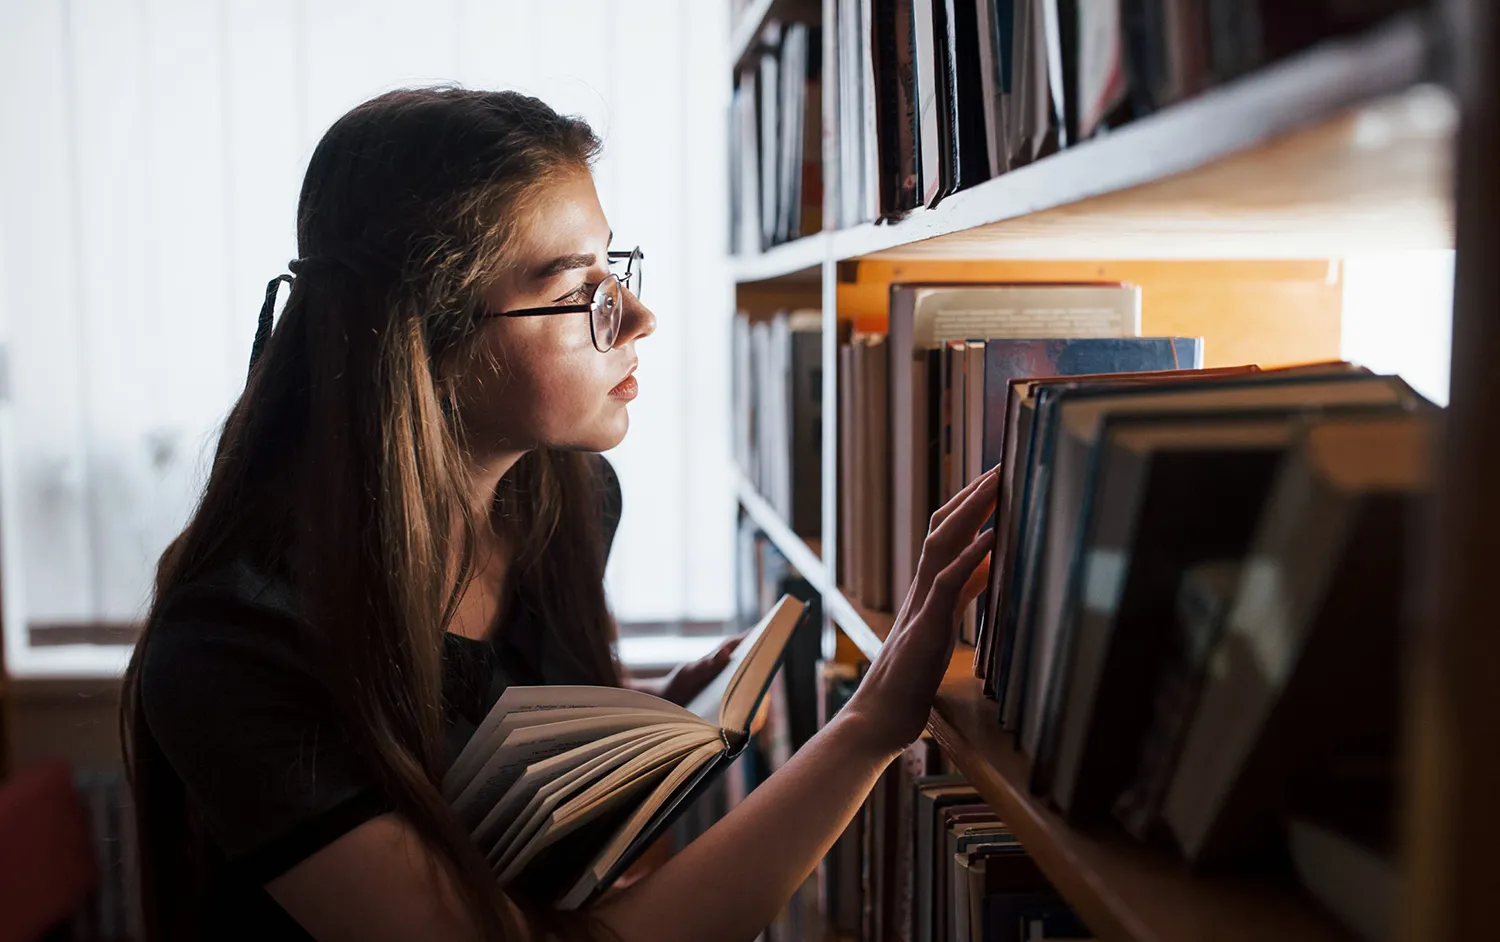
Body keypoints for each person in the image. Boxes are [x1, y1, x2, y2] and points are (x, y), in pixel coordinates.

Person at [121, 87, 997, 942]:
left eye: (614, 267)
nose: (640, 316)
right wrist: (868, 728)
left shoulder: (568, 500)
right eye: (580, 290)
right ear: (421, 335)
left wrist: (623, 748)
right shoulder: (229, 650)